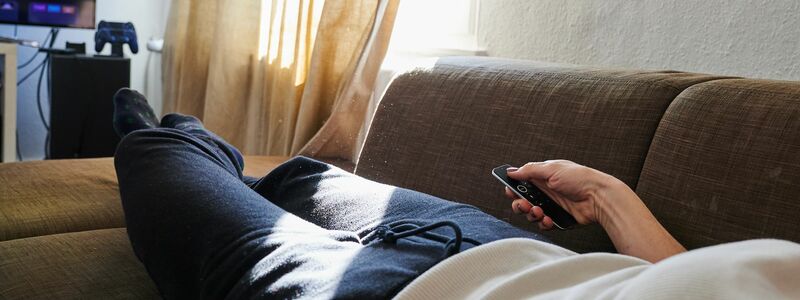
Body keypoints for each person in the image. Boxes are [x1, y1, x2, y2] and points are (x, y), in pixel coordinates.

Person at [113, 89, 800, 299]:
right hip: (516, 254)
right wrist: (602, 195)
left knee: (155, 157)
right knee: (304, 175)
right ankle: (228, 173)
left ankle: (176, 138)